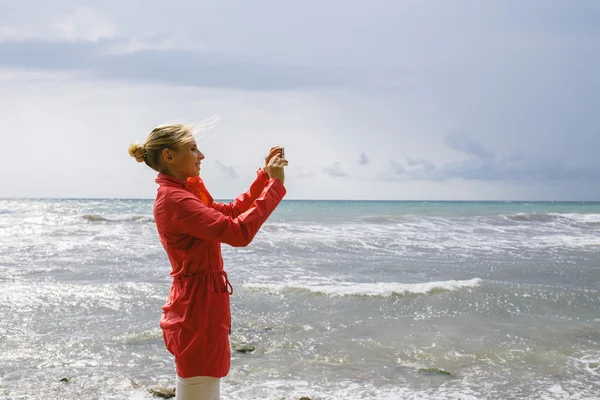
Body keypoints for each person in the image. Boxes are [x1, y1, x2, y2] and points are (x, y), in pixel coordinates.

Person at [128, 123, 287, 400]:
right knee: (199, 391)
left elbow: (232, 212)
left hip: (203, 303)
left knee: (205, 390)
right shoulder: (176, 200)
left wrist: (264, 177)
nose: (201, 155)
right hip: (196, 309)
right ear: (169, 156)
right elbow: (238, 233)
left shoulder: (183, 193)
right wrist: (275, 186)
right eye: (192, 148)